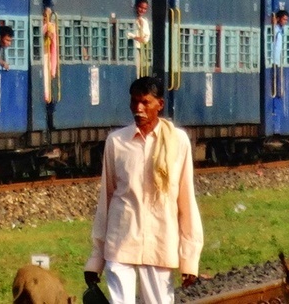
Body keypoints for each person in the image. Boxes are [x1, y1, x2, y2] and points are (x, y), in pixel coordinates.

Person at [85, 76, 203, 304]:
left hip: (160, 243)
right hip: (120, 242)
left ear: (160, 105)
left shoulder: (178, 142)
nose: (138, 109)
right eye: (134, 102)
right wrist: (96, 259)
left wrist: (189, 258)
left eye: (145, 103)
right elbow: (106, 201)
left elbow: (186, 202)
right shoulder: (116, 142)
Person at [130, 0, 152, 77]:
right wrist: (136, 37)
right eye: (140, 7)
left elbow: (147, 35)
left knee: (143, 70)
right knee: (136, 70)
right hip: (134, 47)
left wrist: (143, 39)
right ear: (136, 7)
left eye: (144, 9)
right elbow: (127, 32)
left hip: (141, 49)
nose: (142, 10)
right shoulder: (132, 19)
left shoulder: (145, 21)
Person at [270, 9, 289, 98]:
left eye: (286, 20)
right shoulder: (275, 29)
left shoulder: (281, 30)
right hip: (273, 61)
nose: (285, 22)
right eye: (284, 19)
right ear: (278, 19)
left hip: (278, 62)